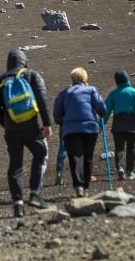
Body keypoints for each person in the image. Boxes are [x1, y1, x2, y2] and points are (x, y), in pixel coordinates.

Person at [0, 48, 53, 217]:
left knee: (15, 164)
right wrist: (47, 123)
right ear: (24, 61)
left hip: (12, 130)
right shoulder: (31, 75)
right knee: (41, 154)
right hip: (31, 126)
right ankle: (35, 194)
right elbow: (42, 98)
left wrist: (6, 124)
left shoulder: (2, 79)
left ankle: (18, 204)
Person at [52, 67, 106, 196]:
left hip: (71, 130)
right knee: (88, 157)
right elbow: (102, 109)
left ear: (72, 79)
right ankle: (85, 186)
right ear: (85, 78)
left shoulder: (64, 93)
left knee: (75, 157)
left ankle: (78, 186)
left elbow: (57, 114)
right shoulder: (91, 90)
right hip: (90, 128)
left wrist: (63, 121)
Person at [104, 69, 135, 180]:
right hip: (131, 122)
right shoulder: (134, 92)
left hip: (118, 123)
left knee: (119, 148)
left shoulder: (113, 94)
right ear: (127, 79)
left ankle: (119, 167)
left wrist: (102, 123)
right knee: (131, 147)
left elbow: (106, 110)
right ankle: (130, 171)